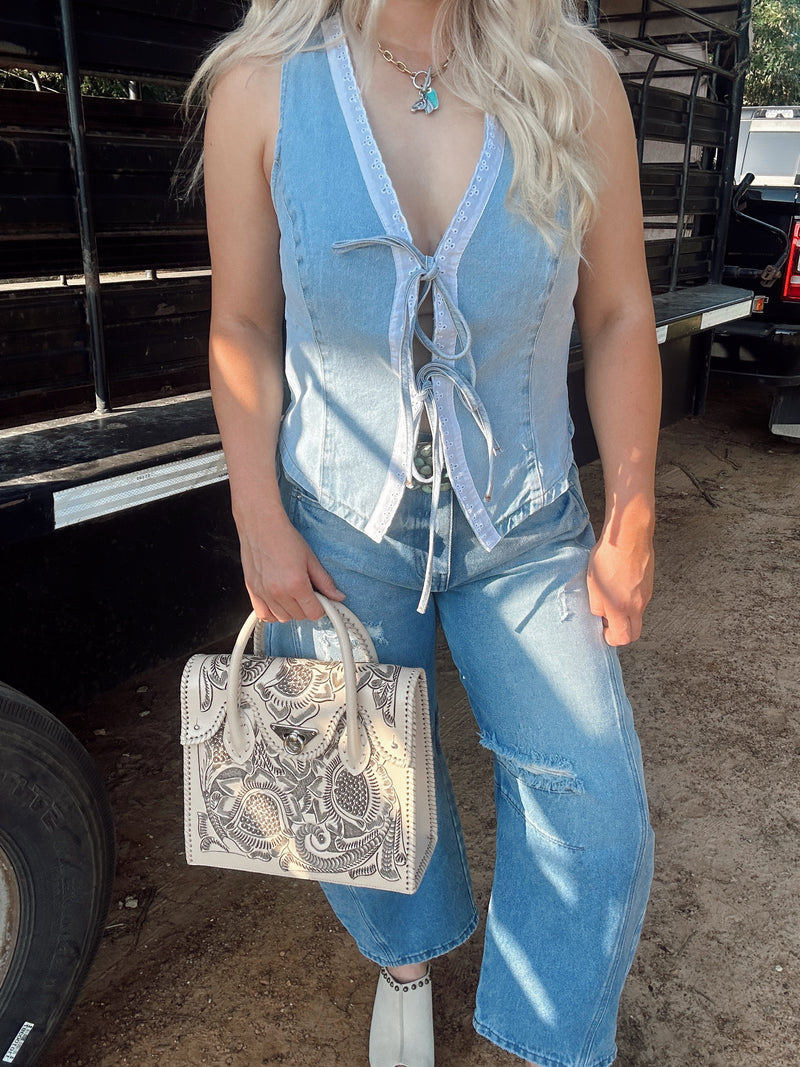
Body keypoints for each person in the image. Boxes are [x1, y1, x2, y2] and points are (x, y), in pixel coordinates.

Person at [189, 0, 660, 1063]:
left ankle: (548, 1039)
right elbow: (243, 320)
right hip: (337, 522)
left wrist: (633, 513)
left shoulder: (573, 77)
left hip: (524, 519)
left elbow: (619, 312)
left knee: (596, 811)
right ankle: (402, 961)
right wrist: (255, 511)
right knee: (350, 777)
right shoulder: (260, 86)